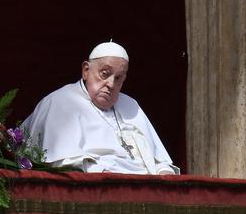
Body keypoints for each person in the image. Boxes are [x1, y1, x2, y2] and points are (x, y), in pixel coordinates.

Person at [23, 41, 179, 174]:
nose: (111, 84)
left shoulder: (130, 105)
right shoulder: (60, 102)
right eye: (105, 74)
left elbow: (160, 161)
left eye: (118, 78)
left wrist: (164, 172)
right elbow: (63, 160)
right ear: (86, 70)